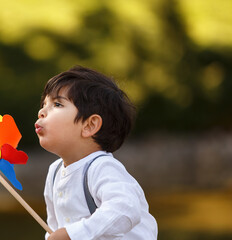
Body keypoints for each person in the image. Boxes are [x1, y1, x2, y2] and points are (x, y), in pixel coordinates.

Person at [34, 66, 158, 240]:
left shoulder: (102, 168)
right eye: (43, 104)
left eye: (57, 104)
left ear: (89, 125)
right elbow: (55, 228)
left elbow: (125, 208)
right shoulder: (54, 172)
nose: (41, 112)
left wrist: (73, 234)